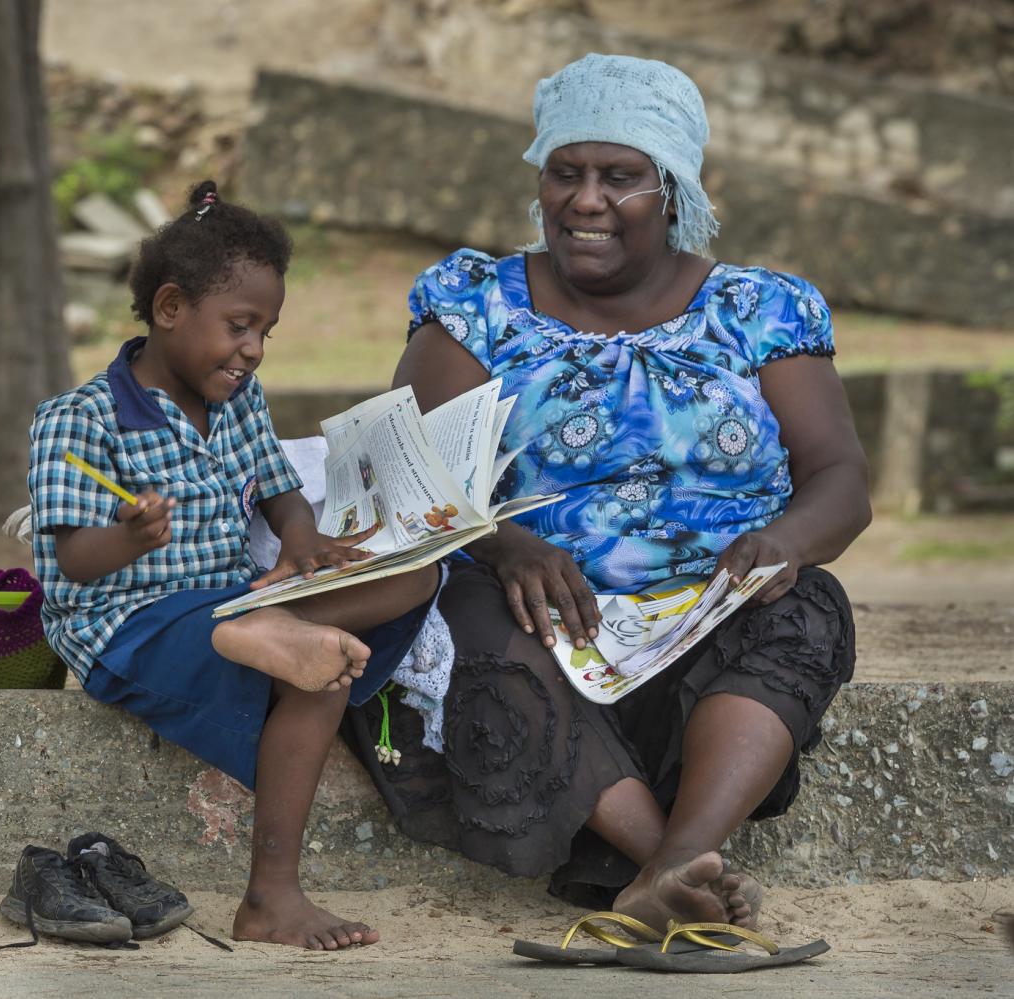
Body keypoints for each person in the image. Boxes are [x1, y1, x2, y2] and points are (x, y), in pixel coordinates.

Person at [361, 54, 871, 933]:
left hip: (709, 616)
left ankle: (672, 865)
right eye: (566, 172)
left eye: (620, 177)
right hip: (540, 623)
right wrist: (502, 542)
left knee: (810, 603)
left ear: (671, 188)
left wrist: (785, 542)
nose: (586, 199)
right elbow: (407, 472)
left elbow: (841, 479)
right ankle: (667, 867)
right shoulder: (478, 305)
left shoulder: (759, 310)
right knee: (461, 607)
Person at [27, 181, 438, 950]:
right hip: (127, 626)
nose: (252, 349)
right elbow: (77, 562)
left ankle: (270, 899)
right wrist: (131, 537)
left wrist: (303, 544)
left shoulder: (239, 402)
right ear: (171, 308)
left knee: (394, 598)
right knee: (294, 653)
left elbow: (279, 491)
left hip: (231, 604)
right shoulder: (77, 419)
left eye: (266, 333)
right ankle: (265, 635)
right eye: (241, 326)